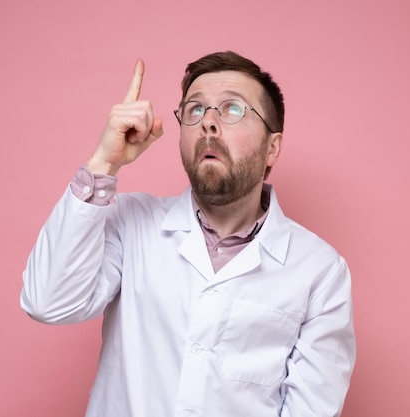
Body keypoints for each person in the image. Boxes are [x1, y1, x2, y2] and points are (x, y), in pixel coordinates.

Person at [21, 51, 356, 417]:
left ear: (271, 148)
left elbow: (311, 409)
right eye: (195, 110)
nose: (208, 124)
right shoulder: (132, 222)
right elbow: (47, 302)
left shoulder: (320, 271)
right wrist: (104, 162)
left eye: (232, 109)